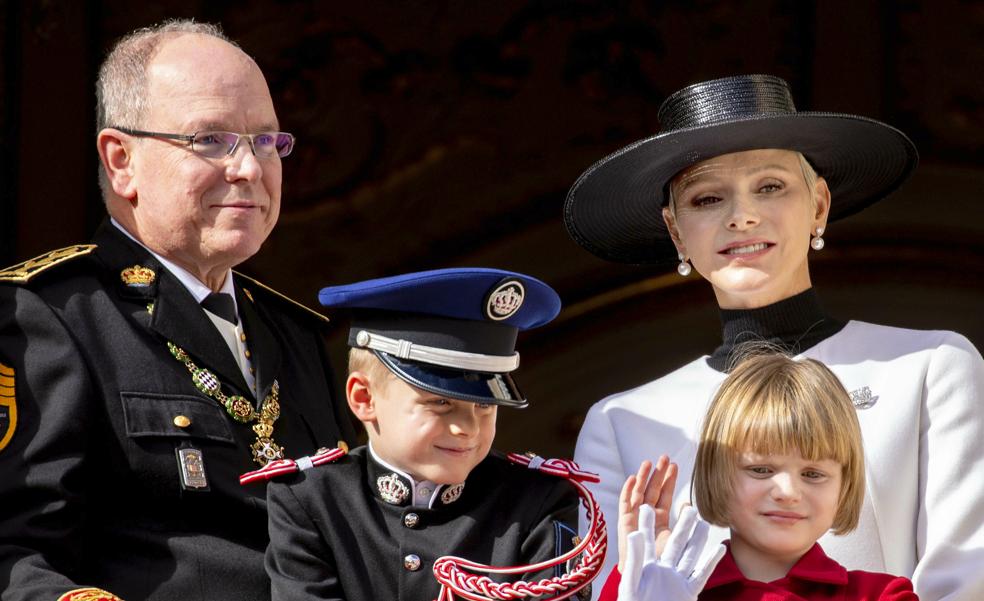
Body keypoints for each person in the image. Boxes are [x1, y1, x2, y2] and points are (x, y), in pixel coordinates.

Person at [565, 74, 984, 600]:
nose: (741, 216)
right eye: (707, 198)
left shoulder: (929, 367)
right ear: (676, 231)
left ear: (819, 206)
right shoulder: (620, 423)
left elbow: (966, 580)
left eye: (770, 187)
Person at [0, 20, 355, 601]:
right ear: (121, 161)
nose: (248, 168)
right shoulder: (50, 317)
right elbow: (14, 559)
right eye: (210, 140)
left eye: (267, 141)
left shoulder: (292, 334)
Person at [251, 268, 594, 601]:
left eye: (485, 406)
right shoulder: (310, 500)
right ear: (364, 398)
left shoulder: (537, 503)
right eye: (441, 402)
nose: (468, 428)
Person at [600, 353, 917, 601]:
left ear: (844, 486)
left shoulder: (881, 596)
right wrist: (632, 580)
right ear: (717, 474)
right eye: (761, 470)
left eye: (813, 473)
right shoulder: (670, 592)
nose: (788, 491)